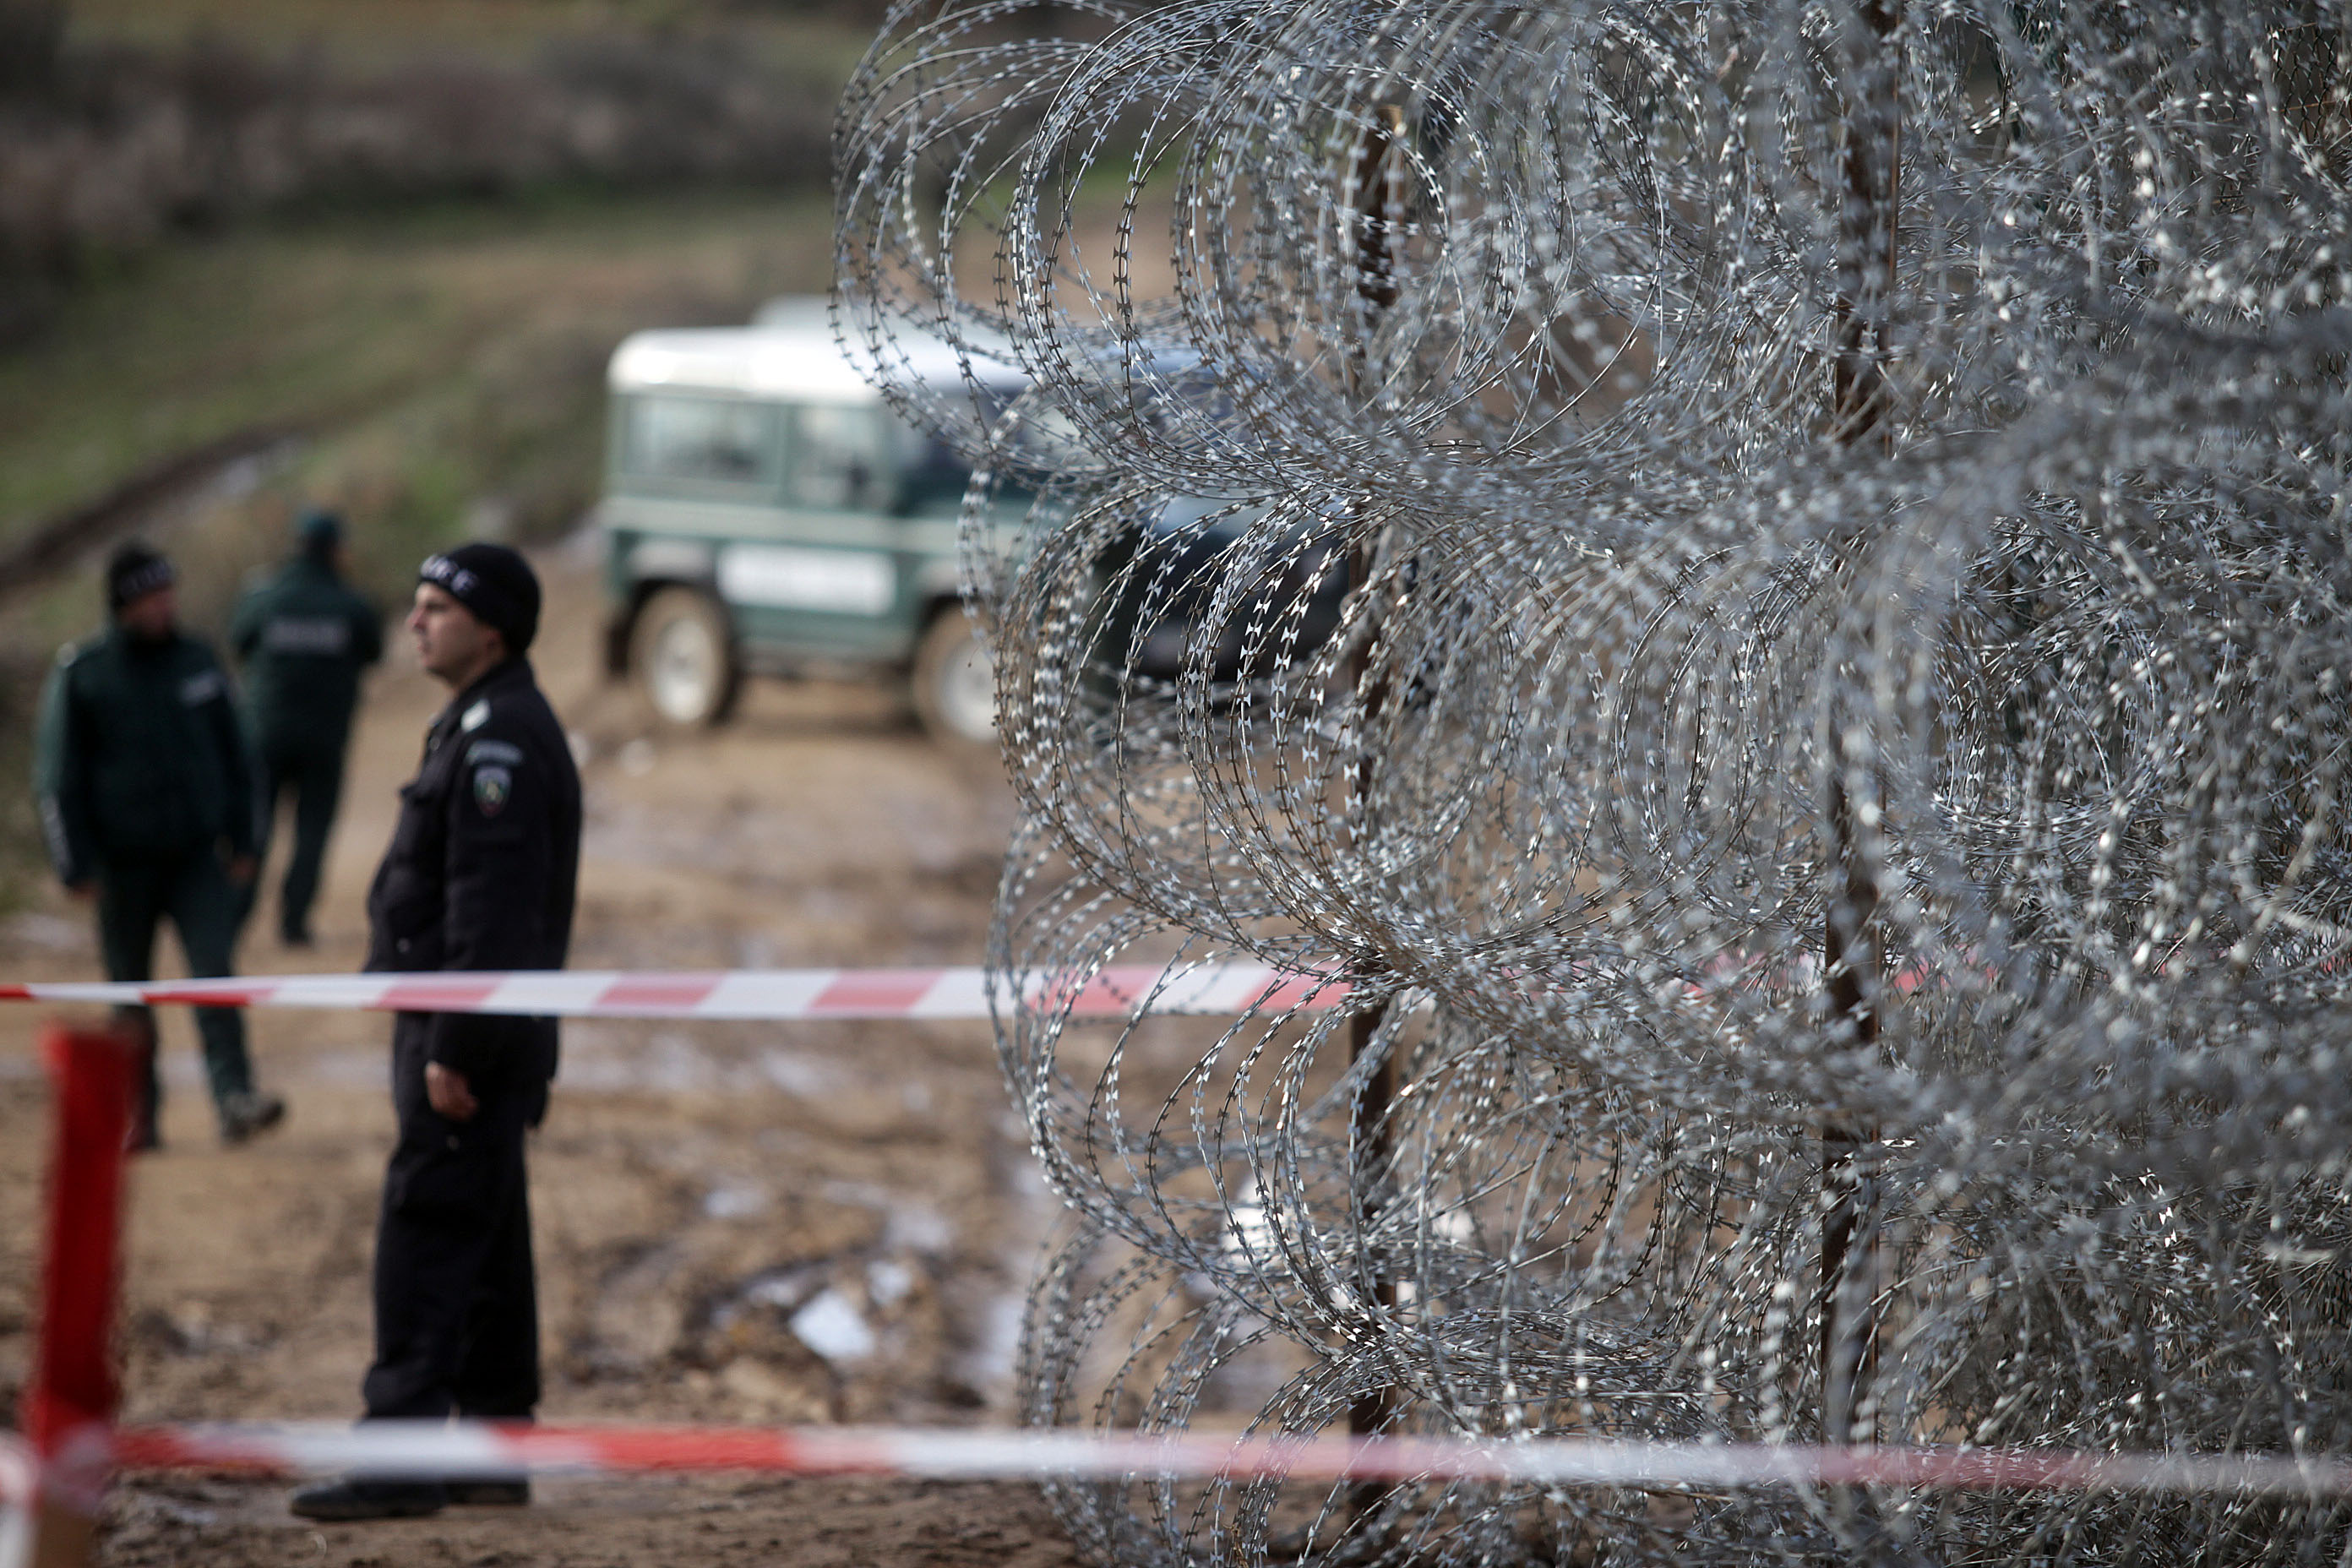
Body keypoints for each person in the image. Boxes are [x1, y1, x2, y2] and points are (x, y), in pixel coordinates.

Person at [291, 543, 580, 1523]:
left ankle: (398, 1459)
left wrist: (456, 1041)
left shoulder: (499, 737)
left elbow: (489, 914)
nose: (413, 622)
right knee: (488, 1238)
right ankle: (496, 1448)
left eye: (433, 608)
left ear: (489, 628)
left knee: (425, 1232)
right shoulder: (482, 720)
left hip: (468, 1037)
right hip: (473, 1028)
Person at [33, 542, 287, 1149]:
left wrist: (247, 840)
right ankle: (137, 1116)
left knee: (214, 978)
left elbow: (242, 760)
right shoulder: (84, 672)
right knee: (130, 993)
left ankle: (234, 1098)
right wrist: (75, 863)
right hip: (123, 869)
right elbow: (57, 778)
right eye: (152, 596)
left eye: (169, 593)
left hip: (198, 859)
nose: (164, 606)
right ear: (124, 604)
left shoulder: (199, 661)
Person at [228, 509, 384, 947]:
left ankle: (235, 919)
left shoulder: (264, 596)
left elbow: (238, 644)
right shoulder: (351, 603)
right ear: (336, 550)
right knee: (312, 831)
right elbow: (373, 652)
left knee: (254, 828)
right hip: (324, 737)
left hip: (264, 735)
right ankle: (293, 923)